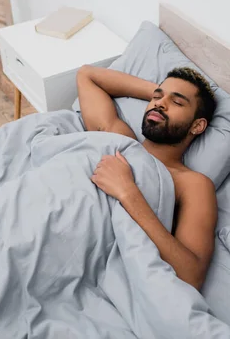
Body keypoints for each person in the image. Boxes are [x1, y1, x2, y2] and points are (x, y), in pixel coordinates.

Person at [76, 65, 217, 290]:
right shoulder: (119, 138)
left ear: (197, 125)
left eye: (178, 102)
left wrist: (127, 192)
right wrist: (163, 94)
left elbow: (192, 274)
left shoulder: (192, 183)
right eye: (156, 98)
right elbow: (87, 75)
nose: (159, 103)